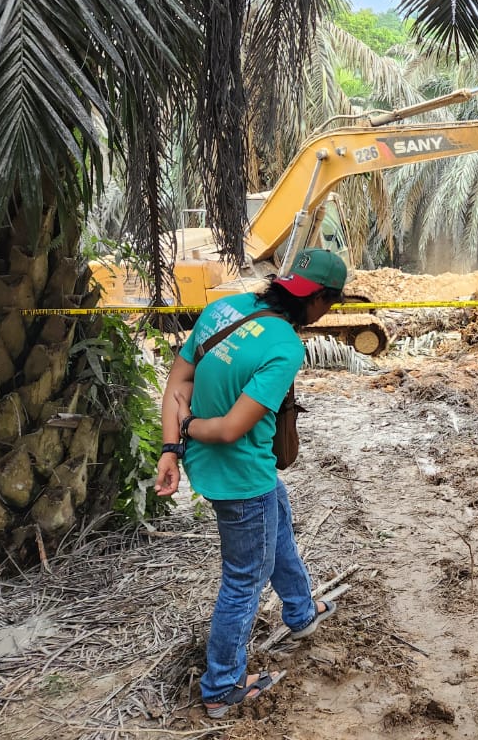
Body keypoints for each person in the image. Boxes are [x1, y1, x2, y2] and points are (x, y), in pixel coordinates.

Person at [154, 248, 348, 718]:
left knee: (277, 526)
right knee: (244, 581)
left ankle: (301, 613)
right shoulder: (284, 345)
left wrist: (171, 448)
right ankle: (222, 685)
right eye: (331, 304)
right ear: (319, 299)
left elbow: (176, 383)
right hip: (241, 476)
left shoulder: (223, 308)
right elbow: (226, 429)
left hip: (215, 467)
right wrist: (192, 426)